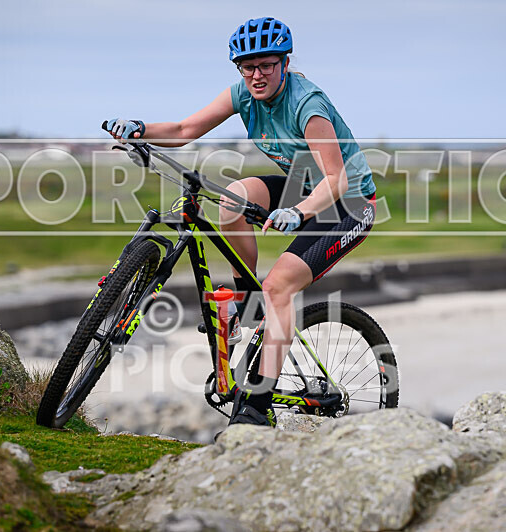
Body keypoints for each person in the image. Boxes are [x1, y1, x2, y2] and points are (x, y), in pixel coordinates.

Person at [105, 16, 376, 429]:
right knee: (233, 198)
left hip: (349, 202)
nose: (256, 75)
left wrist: (299, 212)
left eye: (266, 65)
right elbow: (184, 129)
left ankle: (258, 402)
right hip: (303, 188)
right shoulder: (243, 94)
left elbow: (336, 178)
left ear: (284, 63)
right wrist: (139, 129)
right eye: (247, 67)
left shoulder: (308, 106)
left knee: (279, 286)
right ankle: (248, 299)